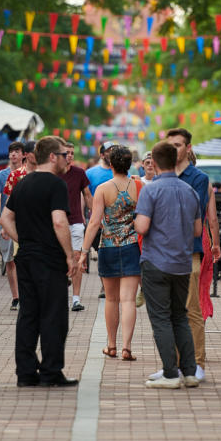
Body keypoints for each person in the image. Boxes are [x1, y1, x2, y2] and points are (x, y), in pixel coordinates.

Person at [0, 136, 78, 388]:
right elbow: (59, 221)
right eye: (65, 154)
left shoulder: (22, 184)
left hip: (27, 257)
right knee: (54, 315)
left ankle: (25, 372)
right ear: (53, 157)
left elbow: (5, 218)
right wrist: (69, 255)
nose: (68, 159)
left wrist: (24, 239)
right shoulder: (56, 184)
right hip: (49, 258)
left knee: (28, 314)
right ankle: (51, 371)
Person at [135, 141, 202, 389]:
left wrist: (133, 222)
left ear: (154, 162)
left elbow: (142, 227)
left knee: (161, 319)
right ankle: (190, 372)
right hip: (182, 263)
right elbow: (197, 230)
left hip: (156, 261)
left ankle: (170, 374)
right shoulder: (189, 191)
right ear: (175, 160)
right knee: (180, 317)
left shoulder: (150, 191)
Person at [165, 128, 220, 378]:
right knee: (169, 311)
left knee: (191, 309)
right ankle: (173, 365)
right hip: (164, 252)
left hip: (189, 250)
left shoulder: (198, 178)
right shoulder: (162, 175)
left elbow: (192, 213)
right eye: (170, 145)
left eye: (177, 145)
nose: (173, 149)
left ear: (188, 148)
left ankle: (197, 363)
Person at [82, 145, 141, 360]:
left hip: (107, 246)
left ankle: (111, 344)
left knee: (111, 299)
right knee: (128, 300)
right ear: (130, 163)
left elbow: (94, 222)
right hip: (132, 246)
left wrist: (83, 252)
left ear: (112, 164)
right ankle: (127, 347)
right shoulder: (139, 185)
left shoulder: (103, 189)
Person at [0, 141, 26, 310]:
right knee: (10, 261)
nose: (13, 154)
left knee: (23, 260)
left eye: (17, 151)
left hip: (24, 222)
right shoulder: (1, 175)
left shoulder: (27, 174)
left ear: (23, 155)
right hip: (6, 222)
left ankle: (25, 295)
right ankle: (16, 297)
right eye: (11, 151)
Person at [58, 141, 93, 312]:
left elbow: (87, 194)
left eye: (72, 153)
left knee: (77, 258)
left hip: (76, 222)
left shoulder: (79, 173)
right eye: (66, 153)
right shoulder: (53, 173)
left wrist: (94, 215)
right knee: (60, 260)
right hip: (56, 224)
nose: (70, 156)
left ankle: (76, 299)